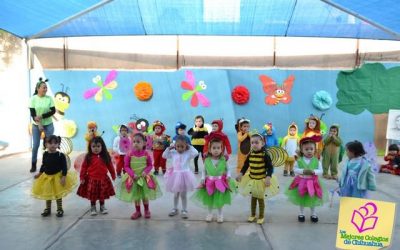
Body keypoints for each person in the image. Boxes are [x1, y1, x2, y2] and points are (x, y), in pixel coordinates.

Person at [191, 134, 236, 223]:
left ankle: (220, 215)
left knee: (220, 200)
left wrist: (228, 176)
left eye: (218, 148)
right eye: (214, 148)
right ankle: (209, 214)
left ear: (221, 149)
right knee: (209, 200)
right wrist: (203, 178)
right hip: (210, 183)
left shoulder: (223, 159)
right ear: (210, 149)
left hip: (220, 183)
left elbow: (228, 169)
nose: (216, 150)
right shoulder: (207, 160)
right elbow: (204, 170)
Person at [116, 133, 162, 220]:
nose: (135, 143)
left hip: (144, 178)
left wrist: (145, 171)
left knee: (144, 195)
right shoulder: (129, 154)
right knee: (136, 196)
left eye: (138, 141)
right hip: (134, 178)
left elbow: (150, 165)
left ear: (144, 143)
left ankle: (147, 210)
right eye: (134, 142)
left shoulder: (146, 154)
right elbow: (126, 166)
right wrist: (133, 174)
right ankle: (138, 211)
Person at [236, 133, 279, 224]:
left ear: (262, 143)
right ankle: (252, 214)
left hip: (261, 180)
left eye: (256, 142)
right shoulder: (250, 154)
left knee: (260, 199)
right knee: (253, 198)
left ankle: (261, 216)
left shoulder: (264, 155)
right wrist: (241, 174)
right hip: (252, 179)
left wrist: (268, 177)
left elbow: (270, 167)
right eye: (252, 143)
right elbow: (246, 165)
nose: (254, 144)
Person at [285, 136, 328, 223]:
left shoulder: (317, 161)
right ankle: (301, 213)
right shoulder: (299, 160)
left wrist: (314, 171)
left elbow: (321, 171)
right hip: (302, 182)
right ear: (302, 150)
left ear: (314, 150)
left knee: (313, 198)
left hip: (313, 182)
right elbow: (295, 169)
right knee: (302, 198)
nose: (309, 151)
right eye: (306, 149)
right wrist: (303, 171)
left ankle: (313, 213)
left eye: (311, 149)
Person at [32, 135, 77, 217]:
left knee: (58, 194)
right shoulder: (45, 154)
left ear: (58, 144)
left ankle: (60, 209)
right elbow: (43, 165)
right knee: (47, 193)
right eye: (50, 143)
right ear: (46, 144)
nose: (53, 145)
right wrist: (39, 173)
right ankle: (47, 209)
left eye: (55, 143)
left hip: (57, 177)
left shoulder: (60, 155)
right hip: (47, 177)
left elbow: (64, 167)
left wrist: (63, 177)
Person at [77, 136, 116, 216]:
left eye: (98, 146)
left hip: (103, 179)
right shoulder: (88, 157)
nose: (96, 148)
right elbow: (84, 167)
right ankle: (93, 207)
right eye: (93, 146)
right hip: (92, 179)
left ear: (102, 146)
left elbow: (110, 166)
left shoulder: (105, 156)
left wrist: (113, 174)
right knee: (93, 195)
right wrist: (82, 177)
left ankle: (102, 206)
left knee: (102, 194)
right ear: (90, 147)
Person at [162, 135, 198, 219]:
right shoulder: (173, 152)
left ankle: (184, 210)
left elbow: (196, 153)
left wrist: (190, 147)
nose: (180, 148)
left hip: (185, 176)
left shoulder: (188, 153)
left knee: (183, 195)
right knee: (175, 194)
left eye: (182, 146)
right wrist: (168, 149)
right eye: (178, 146)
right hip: (175, 176)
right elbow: (164, 155)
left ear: (186, 146)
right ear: (175, 146)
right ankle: (175, 208)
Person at [29, 78, 56, 172]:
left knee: (49, 145)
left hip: (48, 124)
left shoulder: (49, 98)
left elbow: (53, 111)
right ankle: (33, 164)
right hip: (36, 125)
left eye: (46, 88)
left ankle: (48, 164)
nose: (45, 89)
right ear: (38, 88)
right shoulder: (33, 99)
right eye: (44, 88)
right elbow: (32, 114)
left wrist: (42, 116)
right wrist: (38, 123)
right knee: (36, 145)